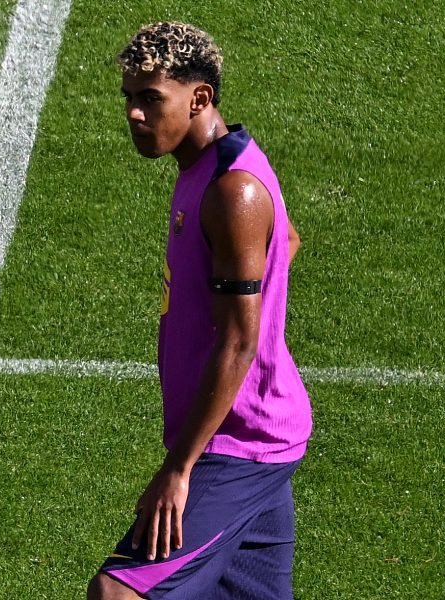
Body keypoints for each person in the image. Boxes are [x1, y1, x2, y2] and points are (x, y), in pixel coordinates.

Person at [88, 22, 312, 599]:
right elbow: (285, 240)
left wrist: (179, 468)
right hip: (255, 432)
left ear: (199, 98)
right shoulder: (209, 168)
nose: (134, 113)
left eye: (150, 98)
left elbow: (238, 341)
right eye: (129, 97)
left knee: (117, 592)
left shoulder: (233, 190)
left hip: (238, 443)